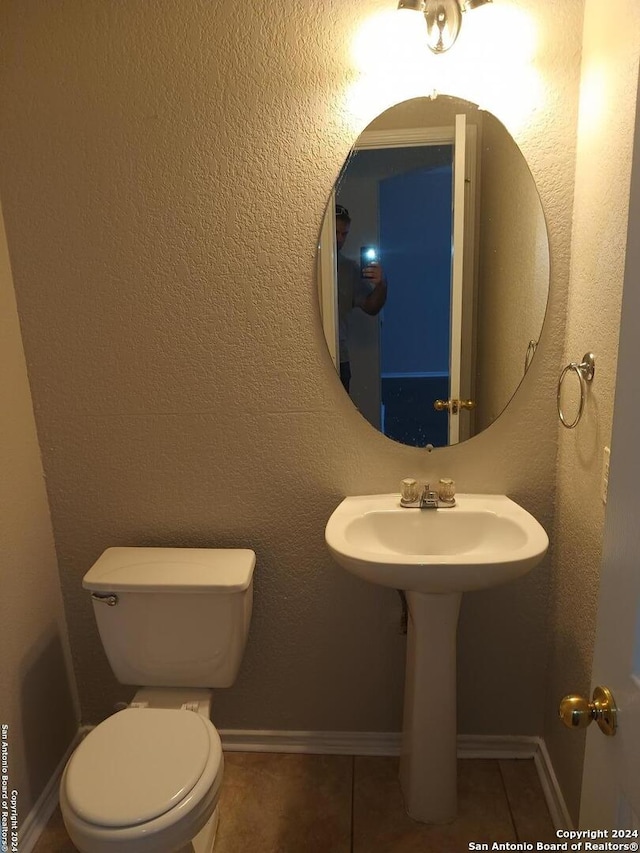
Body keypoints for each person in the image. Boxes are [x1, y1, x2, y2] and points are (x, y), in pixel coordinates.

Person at [335, 204, 388, 392]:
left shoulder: (349, 269)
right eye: (336, 232)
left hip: (339, 359)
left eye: (344, 234)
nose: (340, 239)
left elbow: (371, 307)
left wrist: (382, 284)